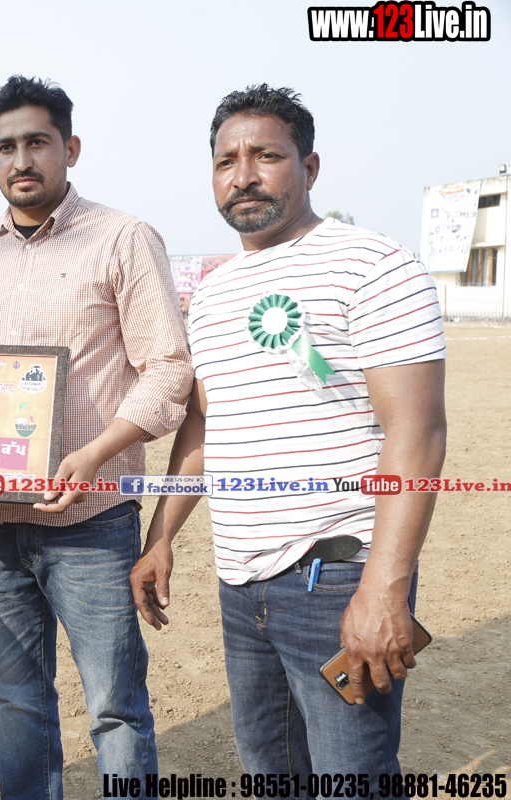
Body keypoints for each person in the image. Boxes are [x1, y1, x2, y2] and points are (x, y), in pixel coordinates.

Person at [130, 84, 447, 782]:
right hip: (241, 586)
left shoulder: (375, 266)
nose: (242, 175)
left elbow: (418, 432)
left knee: (351, 777)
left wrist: (384, 589)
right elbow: (206, 423)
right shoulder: (212, 293)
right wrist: (161, 538)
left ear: (309, 167)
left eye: (265, 156)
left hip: (337, 576)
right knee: (270, 772)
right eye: (226, 161)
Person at [0, 75, 193, 799]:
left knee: (115, 709)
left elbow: (169, 369)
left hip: (93, 520)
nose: (21, 160)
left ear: (70, 149)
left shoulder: (123, 238)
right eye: (5, 147)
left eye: (37, 142)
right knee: (16, 701)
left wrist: (96, 454)